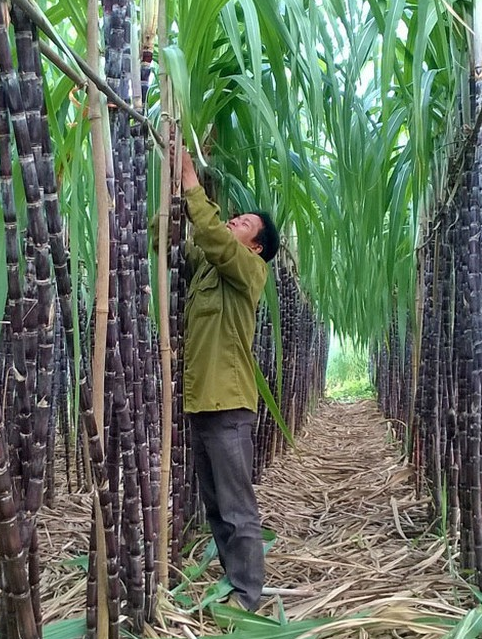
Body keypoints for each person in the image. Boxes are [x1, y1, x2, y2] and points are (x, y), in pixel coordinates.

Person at [177, 148, 279, 613]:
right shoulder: (209, 270)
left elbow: (214, 239)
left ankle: (249, 597)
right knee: (215, 506)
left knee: (237, 508)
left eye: (244, 224)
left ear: (255, 247)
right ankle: (233, 581)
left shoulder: (249, 272)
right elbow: (197, 243)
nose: (235, 222)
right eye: (234, 217)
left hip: (229, 405)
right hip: (201, 403)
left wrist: (192, 183)